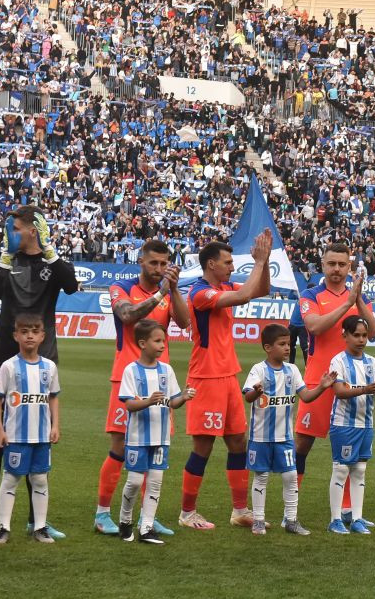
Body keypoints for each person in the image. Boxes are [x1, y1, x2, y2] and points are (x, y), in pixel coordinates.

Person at [0, 206, 79, 541]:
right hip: (5, 358)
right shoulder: (7, 260)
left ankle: (36, 521)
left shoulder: (51, 261)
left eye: (16, 228)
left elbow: (72, 285)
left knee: (37, 442)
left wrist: (49, 250)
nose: (11, 233)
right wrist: (5, 253)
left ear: (34, 230)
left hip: (42, 362)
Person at [94, 240, 190, 535]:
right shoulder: (120, 288)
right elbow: (127, 315)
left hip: (160, 382)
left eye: (164, 264)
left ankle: (146, 516)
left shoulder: (167, 291)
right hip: (126, 378)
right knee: (120, 448)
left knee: (155, 449)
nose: (159, 269)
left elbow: (185, 323)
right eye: (154, 263)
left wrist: (172, 290)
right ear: (141, 261)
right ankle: (102, 514)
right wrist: (162, 291)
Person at [180, 232, 273, 530]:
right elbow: (244, 296)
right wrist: (257, 261)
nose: (233, 267)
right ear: (211, 264)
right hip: (205, 377)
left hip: (227, 375)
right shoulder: (199, 292)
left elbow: (261, 290)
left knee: (237, 442)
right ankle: (187, 513)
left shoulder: (223, 285)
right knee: (203, 447)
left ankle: (239, 510)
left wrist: (266, 261)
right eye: (228, 262)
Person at [295, 243, 375, 518]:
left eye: (342, 264)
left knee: (350, 449)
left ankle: (347, 510)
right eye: (332, 264)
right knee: (302, 446)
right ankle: (291, 505)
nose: (337, 269)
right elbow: (315, 326)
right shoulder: (311, 295)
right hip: (319, 382)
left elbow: (373, 331)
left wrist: (357, 301)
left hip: (349, 384)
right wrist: (346, 304)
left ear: (349, 267)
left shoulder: (357, 298)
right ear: (322, 265)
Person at [242, 323, 336, 535]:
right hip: (261, 436)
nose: (287, 348)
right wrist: (256, 392)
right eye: (282, 344)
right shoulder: (258, 370)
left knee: (290, 476)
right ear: (268, 347)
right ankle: (258, 519)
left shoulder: (292, 370)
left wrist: (322, 386)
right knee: (261, 477)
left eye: (289, 344)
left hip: (284, 436)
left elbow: (305, 397)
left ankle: (291, 520)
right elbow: (248, 396)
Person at [117, 320, 195, 544]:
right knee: (133, 481)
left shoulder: (166, 370)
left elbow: (173, 402)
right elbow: (129, 404)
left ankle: (147, 527)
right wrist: (149, 401)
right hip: (137, 437)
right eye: (157, 340)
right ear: (142, 343)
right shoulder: (131, 370)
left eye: (164, 340)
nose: (162, 345)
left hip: (161, 438)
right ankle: (125, 520)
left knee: (155, 482)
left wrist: (184, 397)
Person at [0, 313, 61, 545]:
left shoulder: (49, 367)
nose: (30, 335)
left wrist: (55, 425)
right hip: (17, 435)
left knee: (40, 479)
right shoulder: (9, 366)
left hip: (41, 436)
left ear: (42, 336)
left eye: (35, 331)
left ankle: (40, 527)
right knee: (11, 479)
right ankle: (3, 528)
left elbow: (53, 397)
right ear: (16, 335)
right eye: (24, 331)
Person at [326, 316, 375, 535]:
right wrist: (365, 389)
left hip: (366, 424)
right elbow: (339, 392)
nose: (361, 340)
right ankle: (335, 519)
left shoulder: (372, 361)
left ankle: (357, 518)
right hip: (343, 424)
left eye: (364, 335)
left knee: (359, 470)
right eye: (356, 335)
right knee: (341, 470)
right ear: (345, 336)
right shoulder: (338, 361)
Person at [287, 294, 308, 365]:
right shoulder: (302, 296)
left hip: (302, 326)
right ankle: (291, 363)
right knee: (291, 344)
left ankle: (307, 365)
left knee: (304, 346)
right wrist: (292, 291)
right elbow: (290, 296)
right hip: (293, 324)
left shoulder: (312, 300)